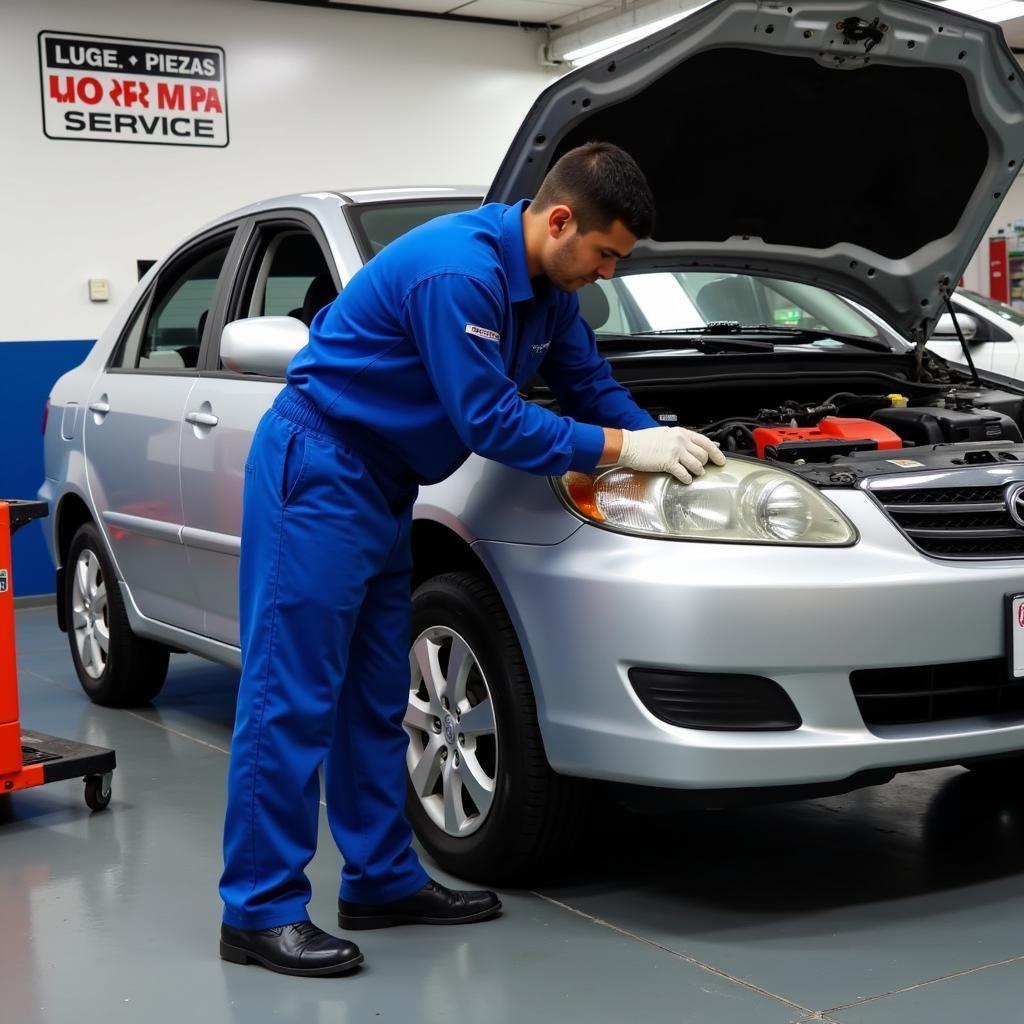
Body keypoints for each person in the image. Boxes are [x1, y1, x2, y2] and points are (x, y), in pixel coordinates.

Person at [218, 141, 726, 978]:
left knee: (376, 694)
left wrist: (663, 442)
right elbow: (491, 420)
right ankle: (259, 912)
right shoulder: (461, 274)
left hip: (384, 482)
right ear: (559, 220)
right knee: (290, 697)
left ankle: (380, 881)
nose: (604, 273)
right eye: (604, 254)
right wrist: (622, 446)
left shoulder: (550, 291)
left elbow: (588, 385)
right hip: (319, 467)